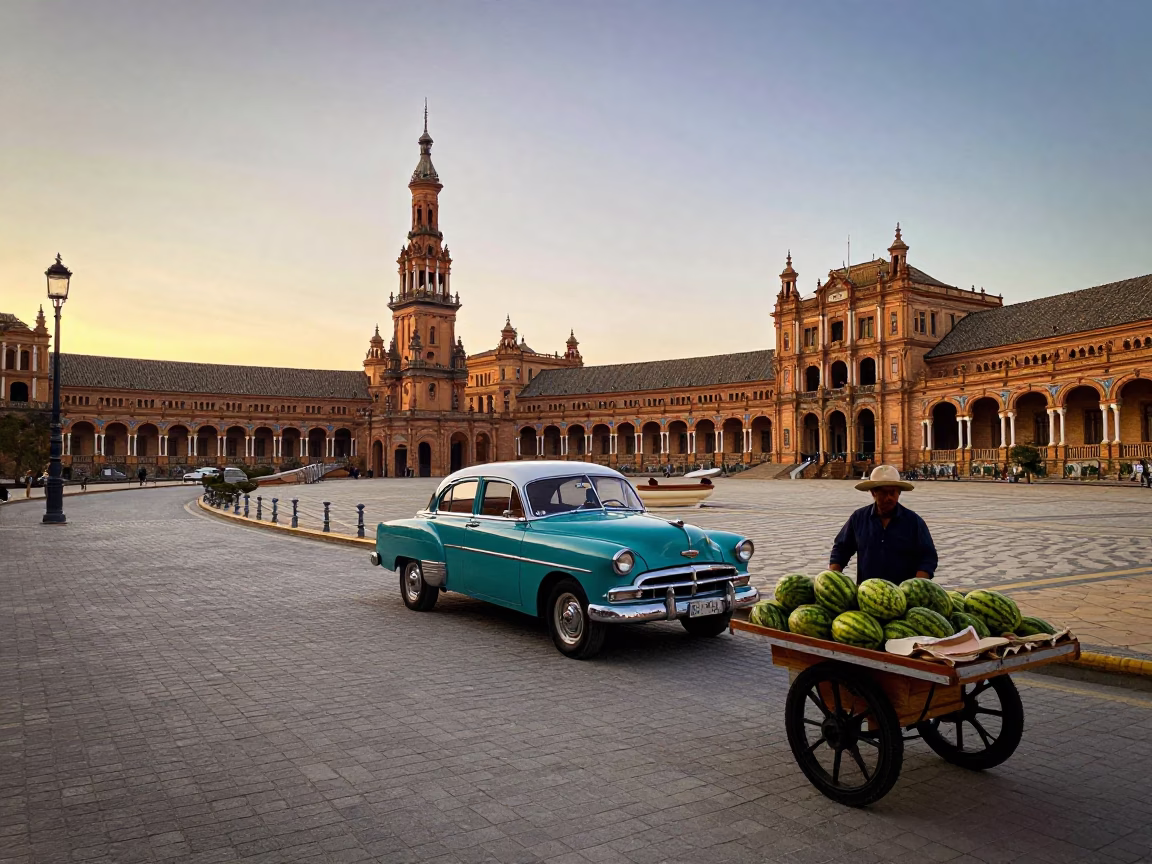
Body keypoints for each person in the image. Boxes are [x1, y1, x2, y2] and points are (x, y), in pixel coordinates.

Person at [828, 464, 938, 585]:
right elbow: (841, 549)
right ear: (873, 493)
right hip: (867, 594)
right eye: (884, 493)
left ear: (899, 493)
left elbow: (928, 557)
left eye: (893, 493)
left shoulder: (913, 521)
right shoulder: (858, 518)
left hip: (903, 597)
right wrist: (833, 579)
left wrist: (917, 586)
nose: (889, 498)